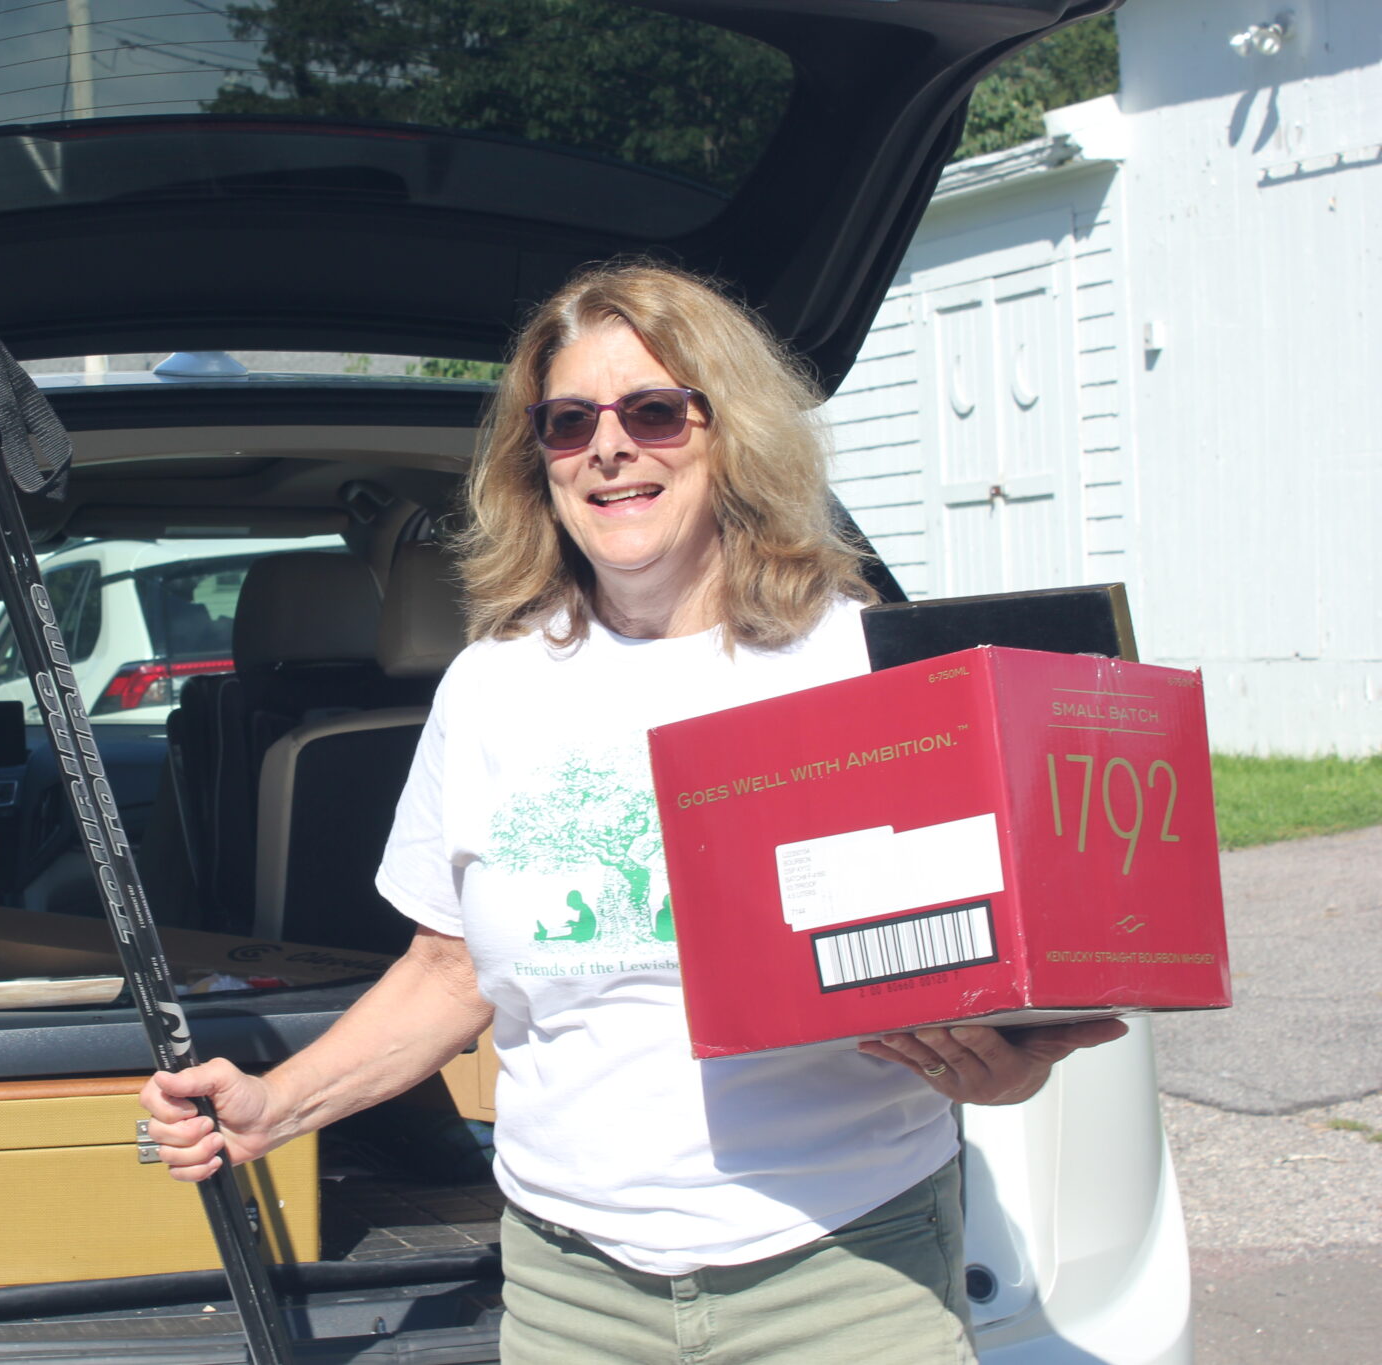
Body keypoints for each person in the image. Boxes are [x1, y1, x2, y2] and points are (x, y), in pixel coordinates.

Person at [138, 259, 1127, 1363]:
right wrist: (275, 1104)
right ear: (540, 462)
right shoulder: (492, 688)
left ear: (727, 432)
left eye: (653, 411)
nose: (609, 448)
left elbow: (993, 948)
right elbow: (446, 971)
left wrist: (1014, 1062)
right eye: (568, 424)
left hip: (843, 1267)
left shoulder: (858, 663)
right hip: (572, 1290)